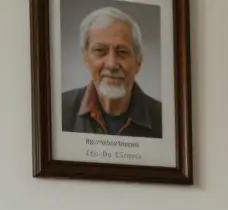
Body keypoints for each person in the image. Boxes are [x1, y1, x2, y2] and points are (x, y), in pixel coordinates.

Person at [62, 7, 162, 138]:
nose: (112, 64)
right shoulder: (60, 110)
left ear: (138, 62)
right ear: (86, 58)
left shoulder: (163, 118)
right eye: (100, 51)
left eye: (122, 52)